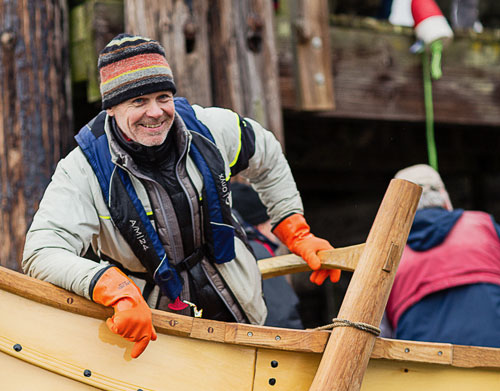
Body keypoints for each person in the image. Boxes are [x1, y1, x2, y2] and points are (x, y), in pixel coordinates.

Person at [23, 33, 339, 358]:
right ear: (112, 109)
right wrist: (110, 287)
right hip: (152, 331)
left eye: (163, 97)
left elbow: (267, 154)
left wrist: (294, 229)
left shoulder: (210, 128)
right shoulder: (81, 170)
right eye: (139, 101)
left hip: (241, 307)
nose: (156, 112)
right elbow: (40, 252)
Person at [385, 163, 500, 346]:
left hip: (423, 368)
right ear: (444, 198)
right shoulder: (485, 226)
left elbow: (380, 334)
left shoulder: (388, 254)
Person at [231, 182, 303, 329]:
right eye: (272, 222)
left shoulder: (232, 250)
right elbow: (282, 315)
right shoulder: (257, 252)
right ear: (260, 225)